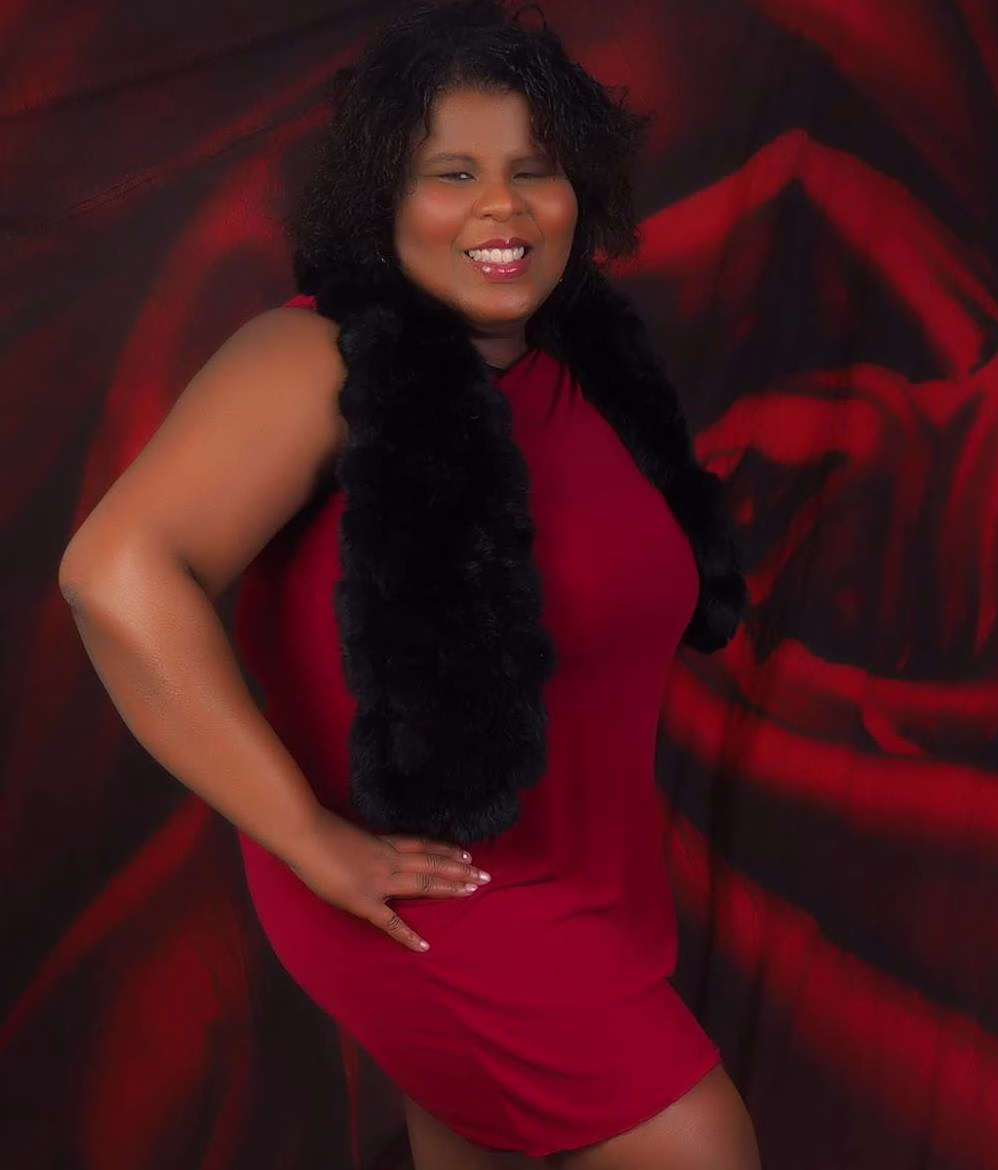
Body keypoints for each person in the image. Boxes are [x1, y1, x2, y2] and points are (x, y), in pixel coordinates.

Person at [57, 2, 758, 1166]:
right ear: (381, 197)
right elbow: (115, 574)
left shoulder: (585, 376)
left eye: (534, 170)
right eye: (453, 174)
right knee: (695, 1141)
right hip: (423, 891)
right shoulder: (317, 358)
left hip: (591, 881)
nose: (502, 208)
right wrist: (306, 836)